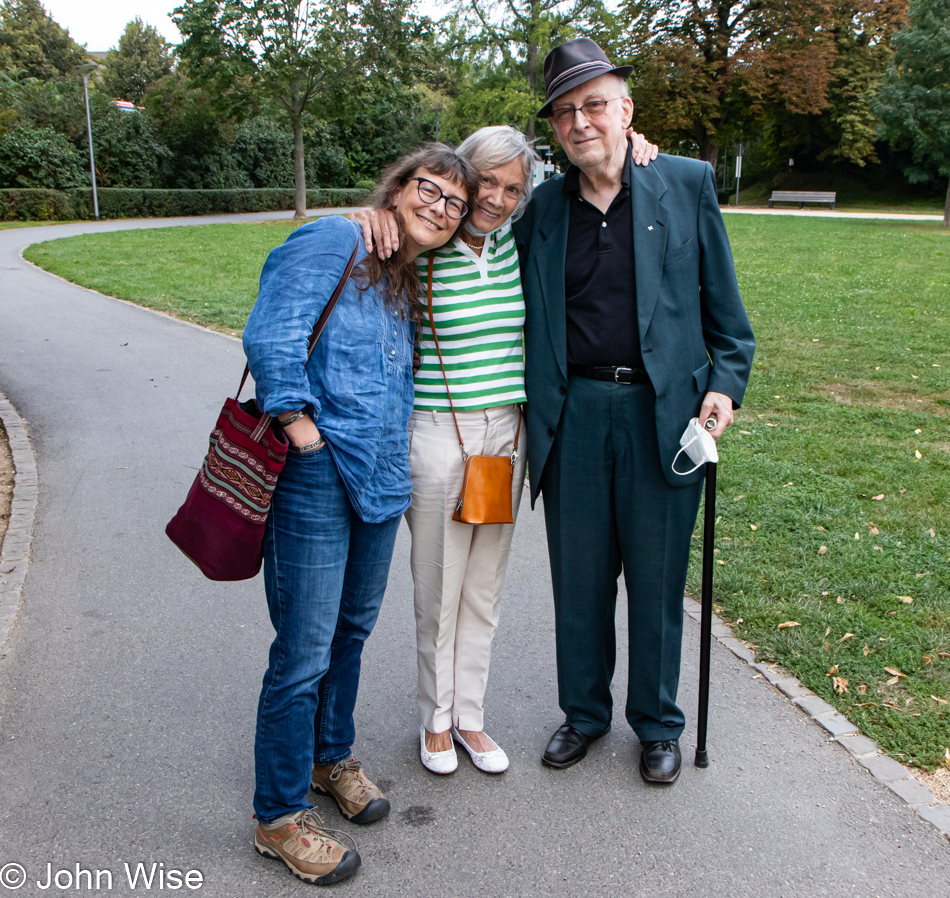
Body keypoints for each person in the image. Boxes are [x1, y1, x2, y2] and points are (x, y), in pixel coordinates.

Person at [352, 126, 657, 776]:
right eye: (485, 181)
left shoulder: (522, 245)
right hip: (438, 434)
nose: (495, 198)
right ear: (464, 177)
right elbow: (382, 228)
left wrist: (632, 146)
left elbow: (592, 184)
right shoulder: (424, 245)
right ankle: (434, 721)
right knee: (441, 585)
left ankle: (470, 717)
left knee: (484, 591)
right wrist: (373, 214)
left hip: (505, 440)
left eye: (511, 187)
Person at [513, 38, 755, 784]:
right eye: (565, 112)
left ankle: (657, 724)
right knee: (579, 580)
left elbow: (728, 316)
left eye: (594, 105)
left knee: (655, 581)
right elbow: (462, 231)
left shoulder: (685, 184)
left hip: (663, 413)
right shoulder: (541, 210)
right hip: (574, 411)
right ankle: (584, 715)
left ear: (625, 110)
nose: (579, 121)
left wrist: (726, 383)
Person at [242, 143, 477, 885]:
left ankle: (328, 758)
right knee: (304, 649)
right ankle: (279, 817)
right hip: (316, 476)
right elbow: (272, 328)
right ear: (398, 188)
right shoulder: (337, 237)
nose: (439, 209)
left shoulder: (405, 272)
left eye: (454, 204)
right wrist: (295, 426)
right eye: (429, 190)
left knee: (351, 632)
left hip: (380, 479)